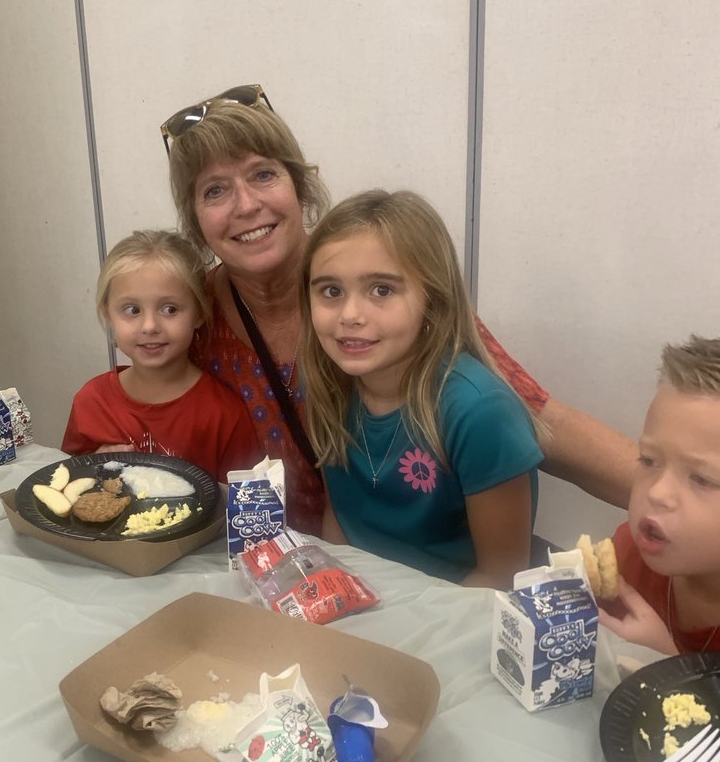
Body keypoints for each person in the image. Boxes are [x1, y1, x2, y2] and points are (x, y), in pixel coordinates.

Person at [165, 84, 637, 535]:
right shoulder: (188, 316)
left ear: (300, 186)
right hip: (261, 564)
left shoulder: (380, 284)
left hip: (404, 569)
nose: (246, 205)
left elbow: (535, 419)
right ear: (193, 218)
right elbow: (148, 406)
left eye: (263, 174)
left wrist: (668, 501)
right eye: (214, 191)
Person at [298, 189, 542, 586]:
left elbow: (499, 576)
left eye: (382, 290)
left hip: (458, 608)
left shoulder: (481, 413)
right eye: (331, 291)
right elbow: (337, 521)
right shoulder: (322, 383)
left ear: (433, 298)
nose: (350, 315)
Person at [62, 229, 261, 480]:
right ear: (108, 314)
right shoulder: (91, 402)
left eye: (170, 309)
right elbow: (64, 482)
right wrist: (91, 467)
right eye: (132, 310)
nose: (149, 326)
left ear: (200, 312)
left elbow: (245, 497)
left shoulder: (224, 414)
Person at [599, 336, 720, 655]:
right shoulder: (628, 553)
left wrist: (666, 665)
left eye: (703, 479)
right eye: (649, 460)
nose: (657, 492)